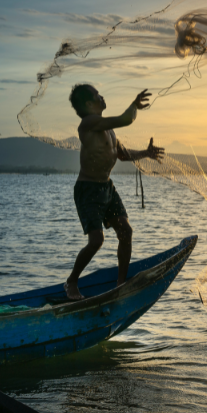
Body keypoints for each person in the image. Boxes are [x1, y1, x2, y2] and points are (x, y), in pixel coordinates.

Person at [64, 84, 164, 301]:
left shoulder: (108, 129)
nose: (102, 96)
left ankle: (121, 283)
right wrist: (134, 105)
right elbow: (126, 119)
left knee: (126, 232)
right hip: (88, 190)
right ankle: (71, 281)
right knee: (96, 241)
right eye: (97, 95)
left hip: (106, 188)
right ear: (89, 104)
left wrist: (146, 153)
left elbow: (124, 155)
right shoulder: (89, 123)